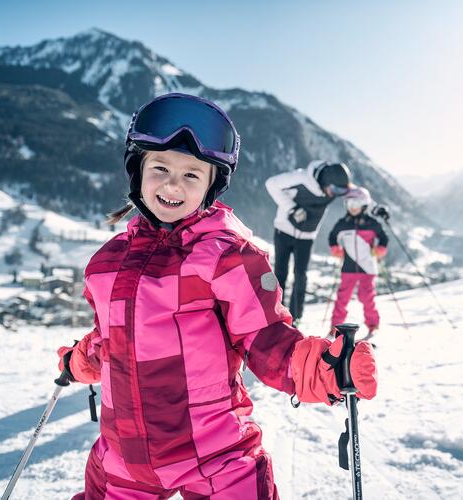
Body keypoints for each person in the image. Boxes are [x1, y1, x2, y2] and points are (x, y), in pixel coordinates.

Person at [56, 93, 377, 499]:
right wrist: (77, 360)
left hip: (216, 456)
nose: (173, 183)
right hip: (125, 458)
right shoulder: (106, 265)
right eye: (160, 167)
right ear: (137, 171)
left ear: (211, 186)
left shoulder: (227, 259)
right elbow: (109, 342)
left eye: (192, 175)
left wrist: (326, 367)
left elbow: (266, 341)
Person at [265, 161, 351, 325]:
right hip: (284, 230)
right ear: (325, 181)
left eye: (341, 191)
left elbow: (354, 192)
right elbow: (271, 184)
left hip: (307, 237)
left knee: (301, 276)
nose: (335, 195)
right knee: (280, 273)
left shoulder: (332, 190)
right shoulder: (302, 178)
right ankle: (275, 316)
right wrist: (293, 208)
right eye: (334, 190)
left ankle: (295, 318)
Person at [328, 186, 388, 340]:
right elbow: (332, 236)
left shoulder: (372, 223)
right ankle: (335, 327)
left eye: (356, 203)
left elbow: (384, 237)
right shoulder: (343, 223)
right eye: (349, 204)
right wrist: (335, 248)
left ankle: (373, 325)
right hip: (348, 267)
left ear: (364, 205)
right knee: (343, 297)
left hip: (367, 267)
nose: (353, 207)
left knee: (366, 297)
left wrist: (380, 248)